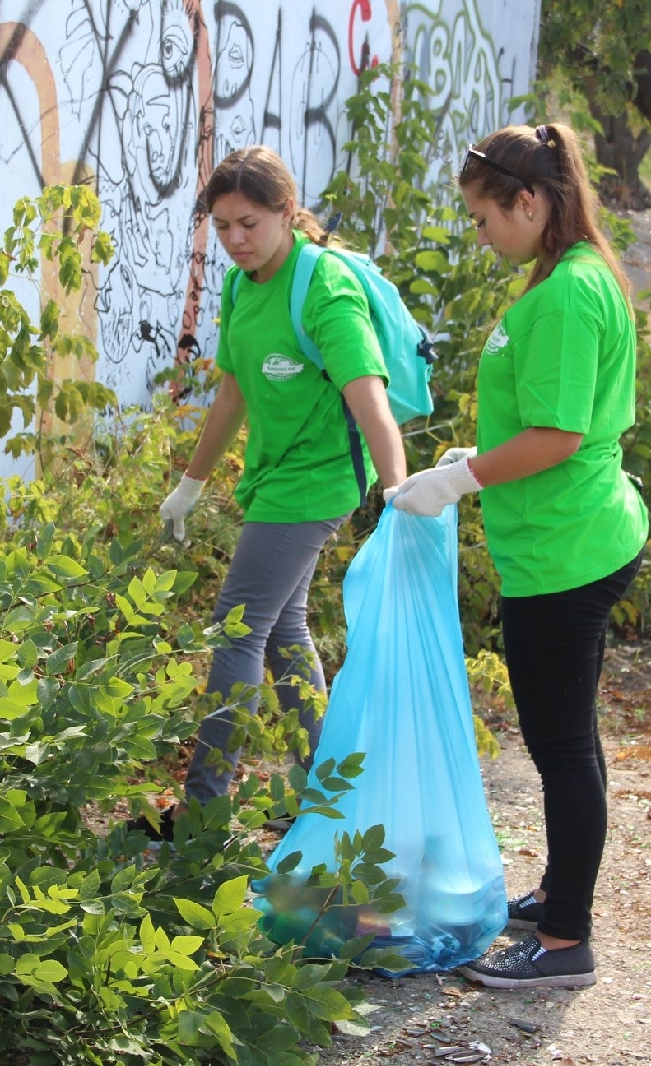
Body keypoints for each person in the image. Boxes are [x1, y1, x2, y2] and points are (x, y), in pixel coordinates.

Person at [387, 122, 649, 989]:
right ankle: (560, 893)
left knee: (562, 745)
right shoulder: (565, 276)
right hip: (563, 538)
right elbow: (539, 425)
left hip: (566, 552)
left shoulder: (570, 292)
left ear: (529, 201)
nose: (480, 232)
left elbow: (558, 434)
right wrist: (471, 462)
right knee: (568, 740)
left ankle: (567, 943)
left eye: (483, 216)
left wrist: (461, 480)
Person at [129, 145, 407, 841]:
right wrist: (189, 485)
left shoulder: (323, 290)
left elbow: (370, 401)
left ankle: (203, 811)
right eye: (221, 227)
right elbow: (233, 393)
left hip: (317, 483)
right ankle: (326, 793)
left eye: (248, 223)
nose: (235, 240)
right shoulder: (241, 285)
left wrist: (400, 498)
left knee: (237, 627)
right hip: (275, 475)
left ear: (287, 212)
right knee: (283, 631)